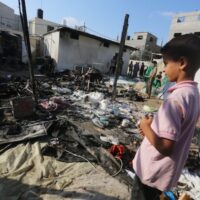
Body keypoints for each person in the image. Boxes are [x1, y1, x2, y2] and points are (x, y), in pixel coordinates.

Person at [133, 34, 200, 200]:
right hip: (165, 173)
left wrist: (146, 127)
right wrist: (152, 130)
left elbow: (166, 146)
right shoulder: (193, 95)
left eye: (166, 63)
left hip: (151, 172)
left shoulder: (174, 100)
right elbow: (177, 129)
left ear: (182, 63)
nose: (164, 69)